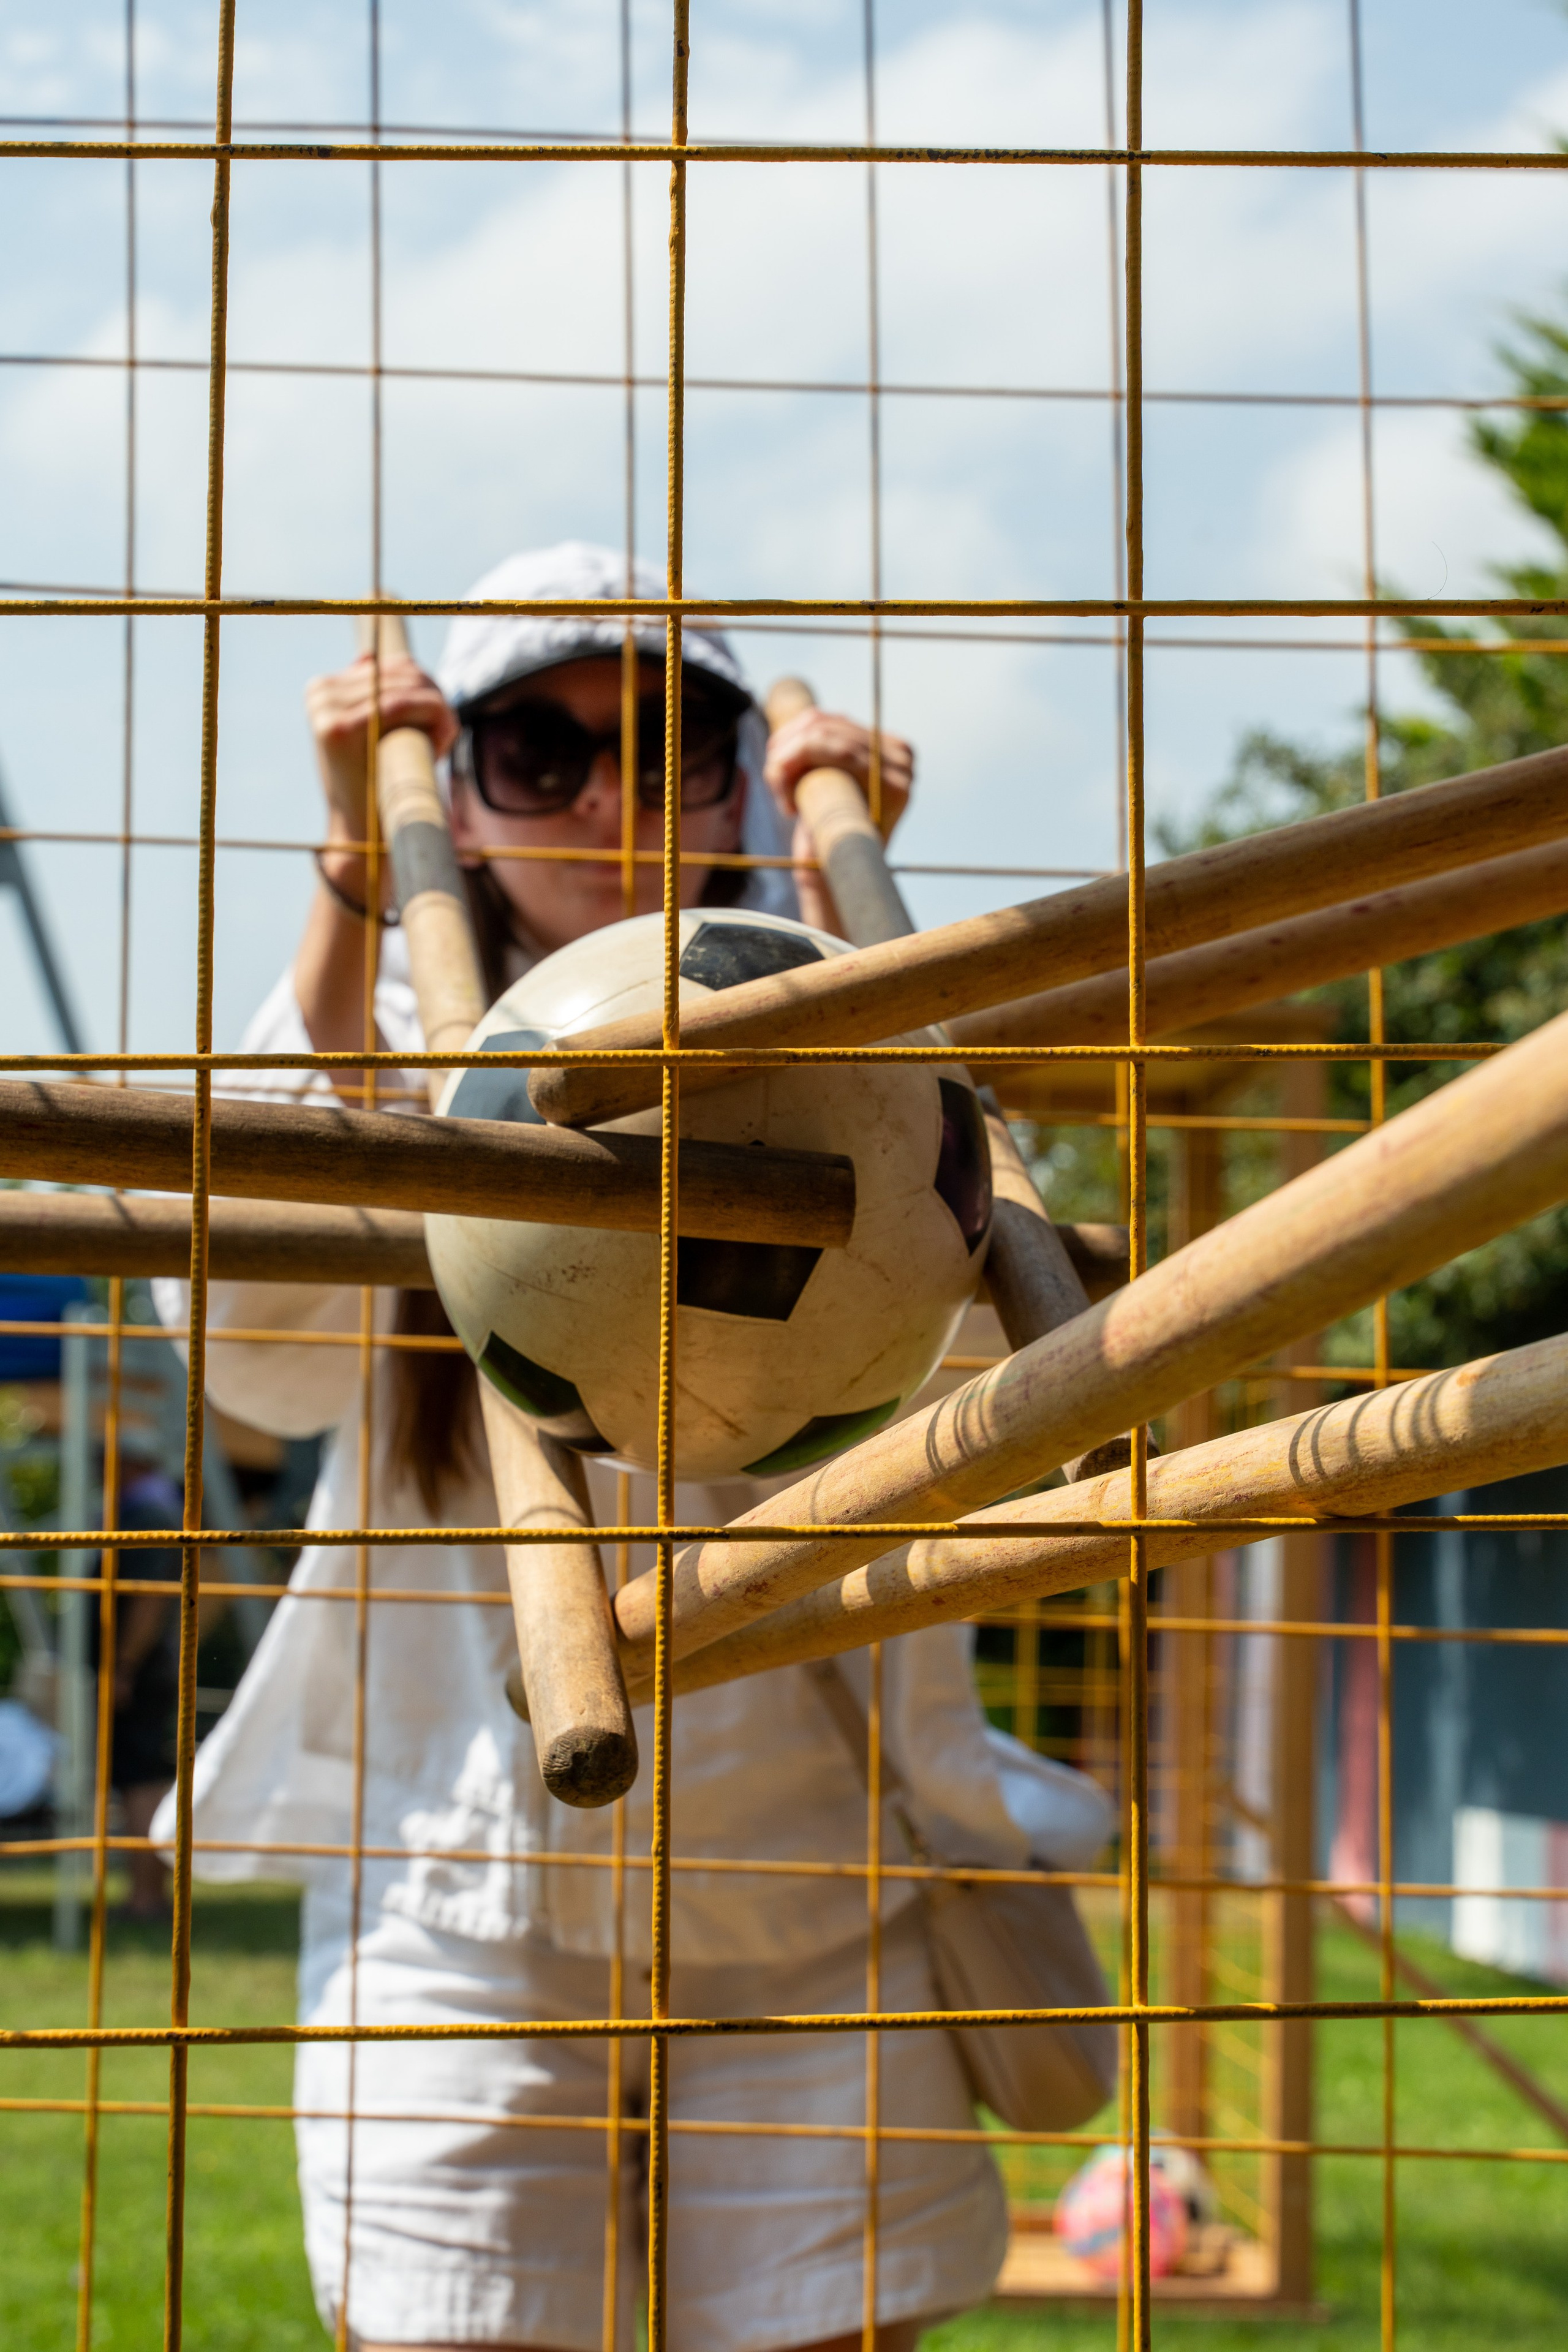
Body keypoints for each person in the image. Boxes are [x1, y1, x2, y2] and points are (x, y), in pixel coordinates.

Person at [153, 543, 1073, 2352]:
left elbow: (1009, 1363)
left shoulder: (860, 1032)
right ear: (465, 791)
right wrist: (354, 876)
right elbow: (251, 1367)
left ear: (742, 777)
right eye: (535, 751)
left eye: (669, 744)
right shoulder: (396, 1051)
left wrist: (865, 917)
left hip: (817, 1862)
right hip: (463, 1863)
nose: (607, 798)